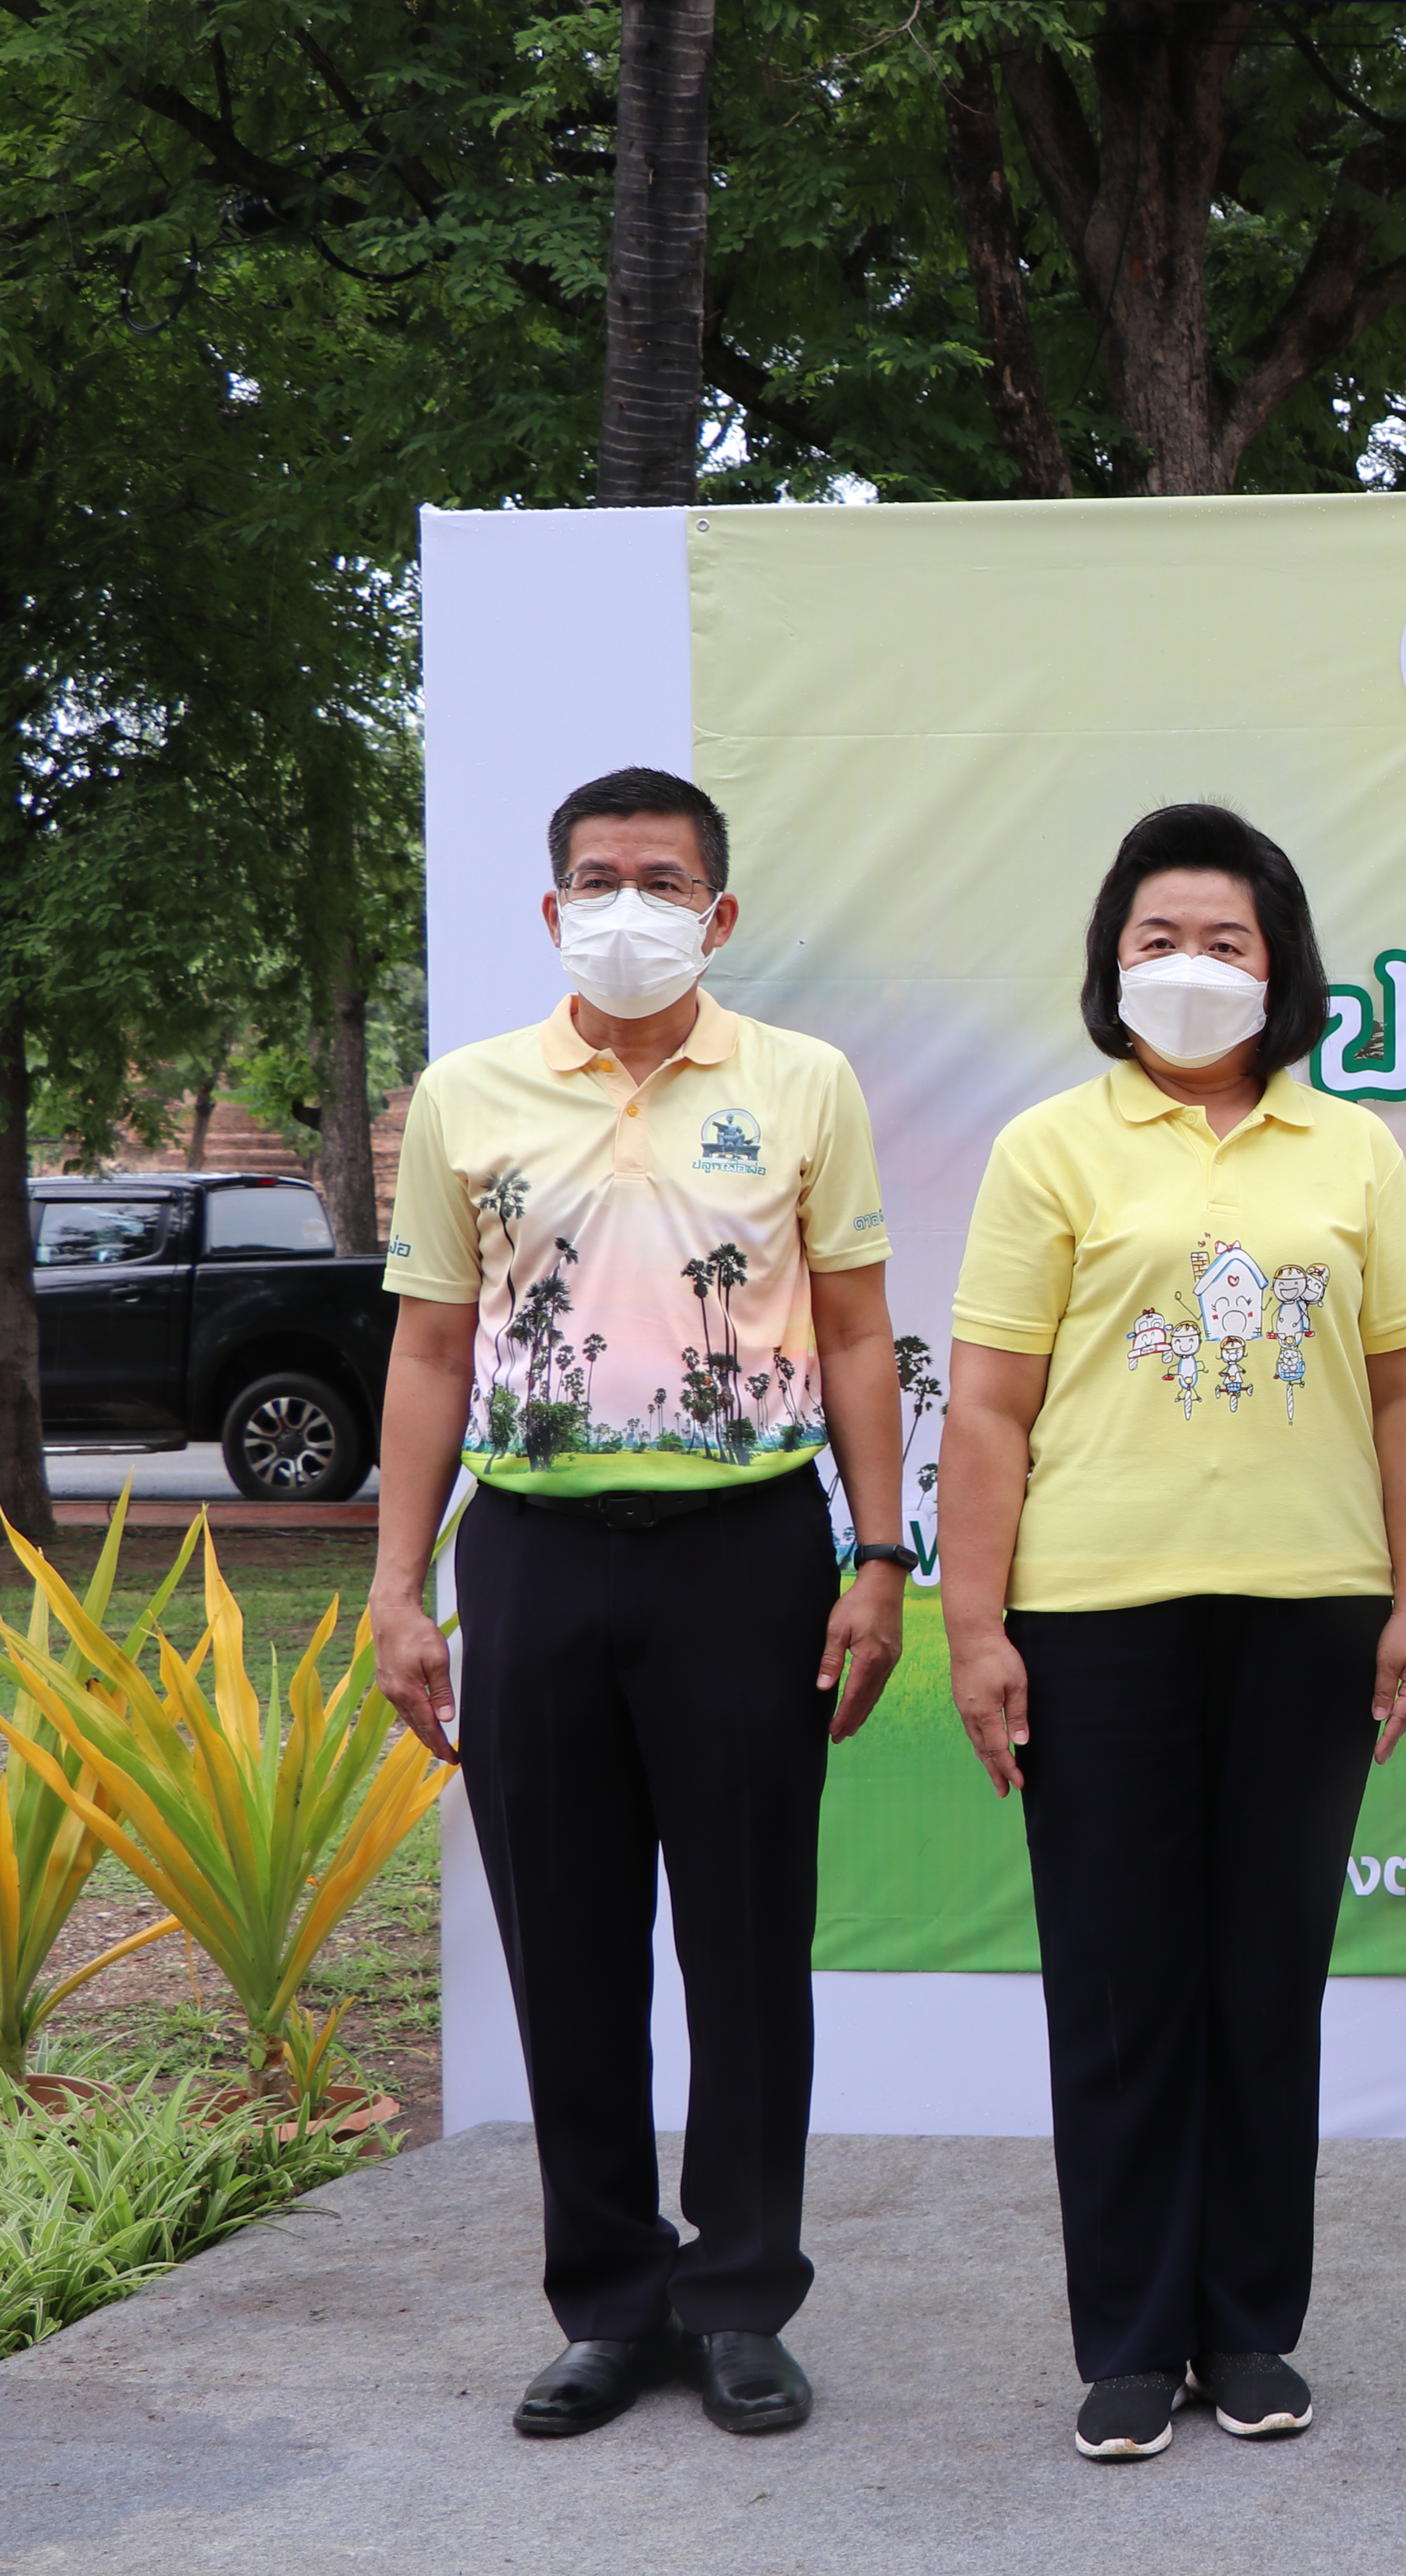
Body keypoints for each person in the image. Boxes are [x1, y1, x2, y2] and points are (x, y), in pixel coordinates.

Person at [370, 766, 909, 2441]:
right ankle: (607, 2300)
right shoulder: (469, 1098)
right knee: (570, 1949)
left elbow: (858, 1336)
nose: (628, 906)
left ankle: (743, 2297)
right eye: (597, 878)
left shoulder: (806, 1085)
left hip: (746, 1552)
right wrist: (398, 1586)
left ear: (719, 914)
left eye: (662, 880)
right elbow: (431, 1352)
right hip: (528, 1555)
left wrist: (879, 1558)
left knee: (748, 1945)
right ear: (550, 911)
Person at [935, 804, 1406, 2465]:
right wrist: (975, 1628)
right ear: (1110, 962)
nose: (1188, 967)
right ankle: (1129, 2334)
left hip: (1311, 1609)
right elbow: (993, 1409)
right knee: (1118, 1981)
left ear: (1280, 963)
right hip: (1093, 1617)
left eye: (1223, 939)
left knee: (1264, 1980)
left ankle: (1247, 2324)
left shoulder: (1352, 1149)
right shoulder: (1050, 1148)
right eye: (1156, 938)